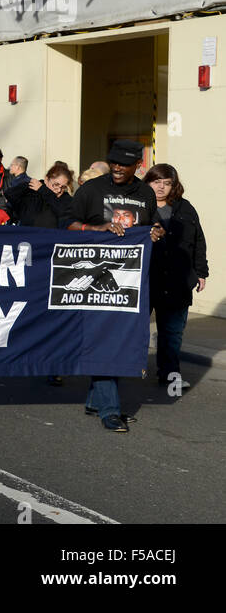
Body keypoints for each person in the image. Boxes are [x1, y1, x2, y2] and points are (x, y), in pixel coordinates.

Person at [64, 139, 164, 432]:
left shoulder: (145, 193)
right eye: (114, 162)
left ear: (137, 166)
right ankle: (110, 409)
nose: (118, 167)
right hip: (96, 280)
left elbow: (154, 225)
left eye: (124, 163)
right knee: (105, 341)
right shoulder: (92, 190)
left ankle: (96, 401)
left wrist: (157, 232)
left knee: (121, 341)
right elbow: (66, 222)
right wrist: (96, 228)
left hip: (131, 282)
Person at [144, 164, 208, 390]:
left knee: (172, 333)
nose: (161, 187)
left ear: (174, 185)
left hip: (178, 280)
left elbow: (198, 241)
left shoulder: (186, 208)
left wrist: (201, 272)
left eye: (166, 183)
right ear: (148, 182)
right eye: (156, 181)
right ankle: (132, 369)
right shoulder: (141, 208)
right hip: (147, 279)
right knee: (139, 328)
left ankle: (170, 375)